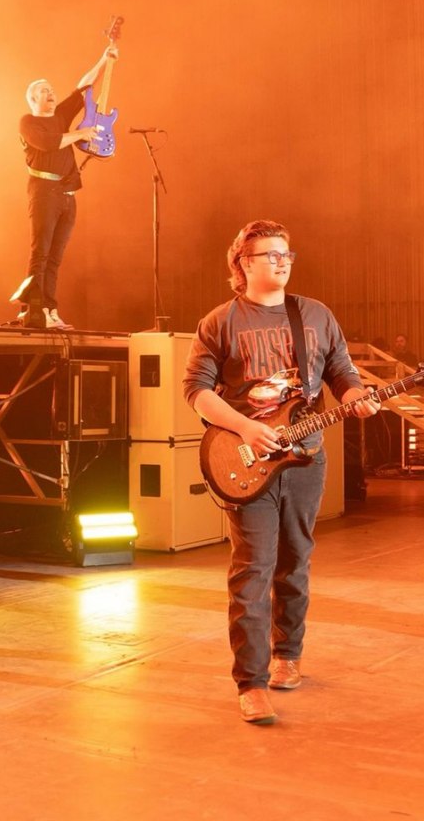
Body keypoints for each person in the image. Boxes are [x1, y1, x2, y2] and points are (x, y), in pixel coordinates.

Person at [182, 219, 379, 725]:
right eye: (270, 254)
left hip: (305, 458)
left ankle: (289, 653)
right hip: (244, 461)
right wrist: (244, 428)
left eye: (286, 253)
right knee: (253, 568)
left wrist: (356, 397)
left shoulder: (314, 315)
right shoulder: (219, 321)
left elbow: (342, 372)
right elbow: (197, 390)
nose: (282, 261)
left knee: (297, 561)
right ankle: (251, 681)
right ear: (242, 263)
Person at [12, 43, 118, 329]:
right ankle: (32, 309)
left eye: (51, 89)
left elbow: (82, 89)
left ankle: (50, 309)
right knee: (41, 252)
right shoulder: (29, 122)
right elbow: (49, 143)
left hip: (67, 196)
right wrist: (80, 132)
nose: (51, 93)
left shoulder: (60, 116)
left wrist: (103, 60)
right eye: (44, 91)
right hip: (44, 192)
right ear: (33, 98)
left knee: (55, 258)